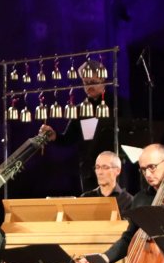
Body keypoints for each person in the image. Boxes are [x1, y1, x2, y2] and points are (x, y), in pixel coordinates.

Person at [44, 63, 122, 193]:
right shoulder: (80, 109)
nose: (89, 86)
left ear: (103, 80)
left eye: (92, 81)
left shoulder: (118, 104)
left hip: (114, 167)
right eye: (85, 82)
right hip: (89, 170)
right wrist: (55, 136)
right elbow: (68, 138)